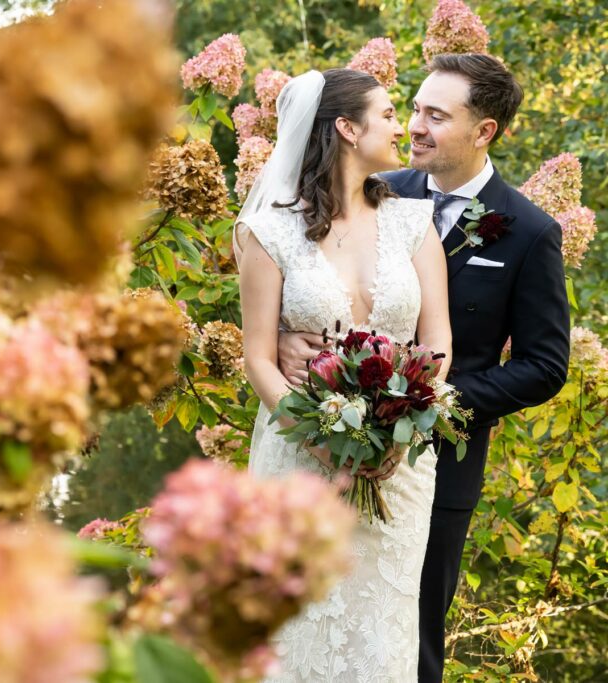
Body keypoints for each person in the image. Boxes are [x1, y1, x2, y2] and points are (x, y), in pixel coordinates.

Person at [276, 54, 571, 682]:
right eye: (412, 108)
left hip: (433, 466)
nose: (415, 125)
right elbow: (305, 284)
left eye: (436, 115)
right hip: (320, 450)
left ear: (484, 131)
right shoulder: (373, 191)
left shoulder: (529, 231)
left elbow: (546, 366)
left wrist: (417, 404)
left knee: (409, 645)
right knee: (306, 625)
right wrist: (291, 348)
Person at [234, 68, 451, 681]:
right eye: (386, 113)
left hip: (398, 467)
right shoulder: (268, 232)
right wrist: (320, 441)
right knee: (297, 632)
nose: (401, 126)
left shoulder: (414, 222)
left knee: (383, 636)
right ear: (347, 129)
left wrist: (398, 432)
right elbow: (257, 357)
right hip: (300, 459)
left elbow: (436, 346)